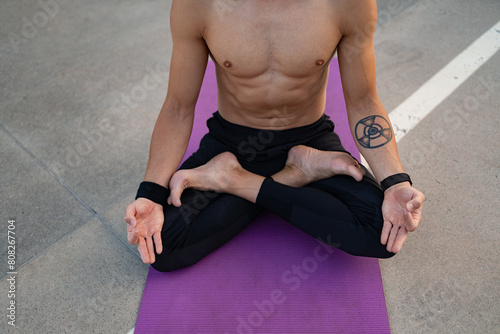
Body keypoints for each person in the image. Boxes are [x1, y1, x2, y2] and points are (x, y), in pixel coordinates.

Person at [124, 0, 425, 272]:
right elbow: (178, 107)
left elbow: (364, 102)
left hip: (309, 140)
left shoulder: (347, 3)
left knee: (383, 228)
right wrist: (150, 194)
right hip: (230, 143)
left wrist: (395, 181)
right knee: (160, 245)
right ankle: (287, 176)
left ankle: (236, 179)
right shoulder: (199, 4)